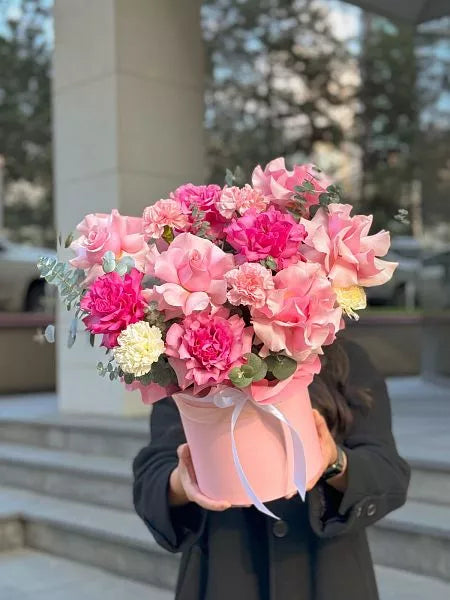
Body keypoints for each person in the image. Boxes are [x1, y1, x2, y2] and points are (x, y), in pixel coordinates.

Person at [133, 338, 410, 600]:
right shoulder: (188, 364)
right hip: (224, 570)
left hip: (327, 574)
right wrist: (183, 482)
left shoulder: (345, 359)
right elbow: (151, 478)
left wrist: (334, 461)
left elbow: (388, 473)